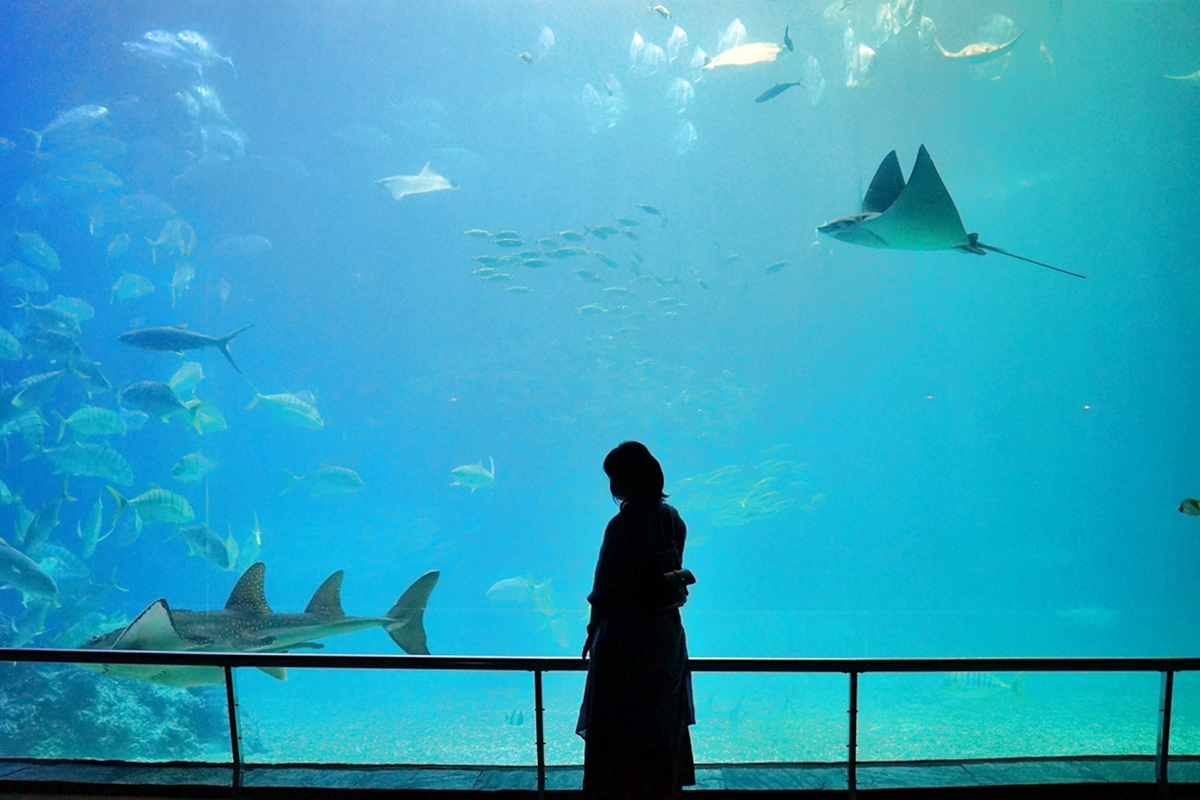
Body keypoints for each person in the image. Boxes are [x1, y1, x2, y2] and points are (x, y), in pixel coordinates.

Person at [576, 441, 696, 799]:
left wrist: (592, 629)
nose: (612, 487)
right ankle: (661, 788)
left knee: (619, 724)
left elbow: (604, 587)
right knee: (660, 720)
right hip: (665, 637)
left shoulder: (621, 526)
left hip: (624, 639)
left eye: (615, 478)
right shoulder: (673, 518)